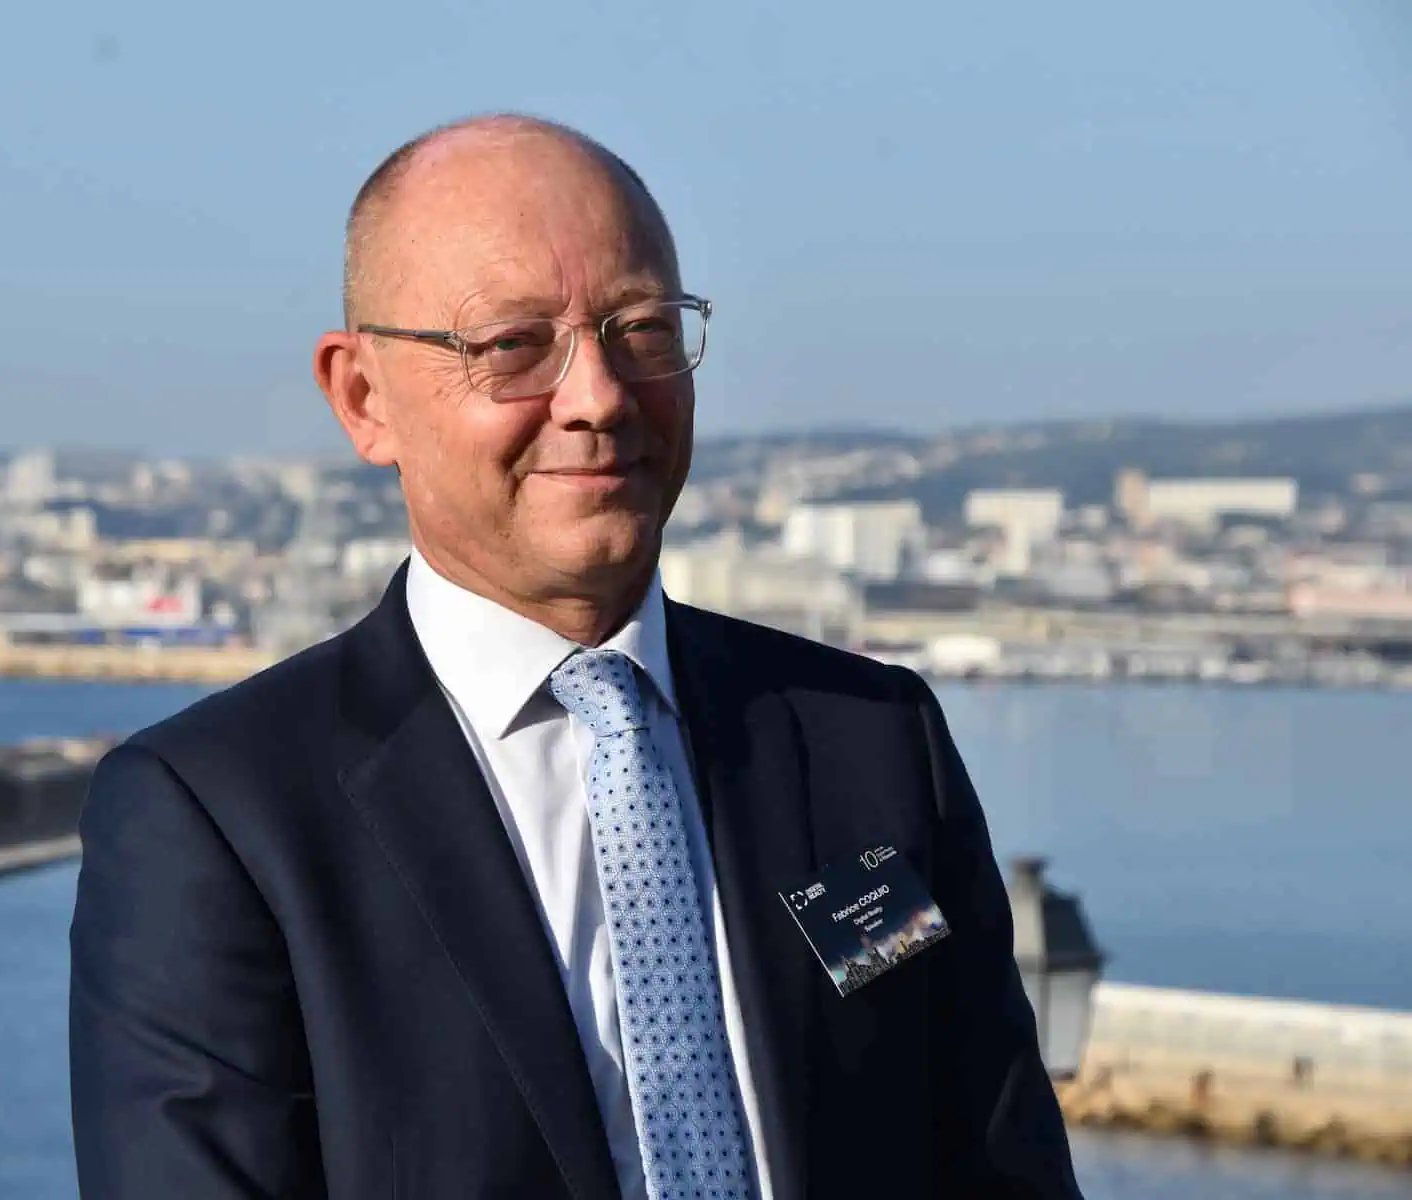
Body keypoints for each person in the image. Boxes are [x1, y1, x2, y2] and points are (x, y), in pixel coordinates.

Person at [69, 114, 1084, 1199]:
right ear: (363, 397)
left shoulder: (870, 744)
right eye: (512, 345)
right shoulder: (222, 816)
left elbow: (992, 1161)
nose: (599, 397)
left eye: (640, 330)